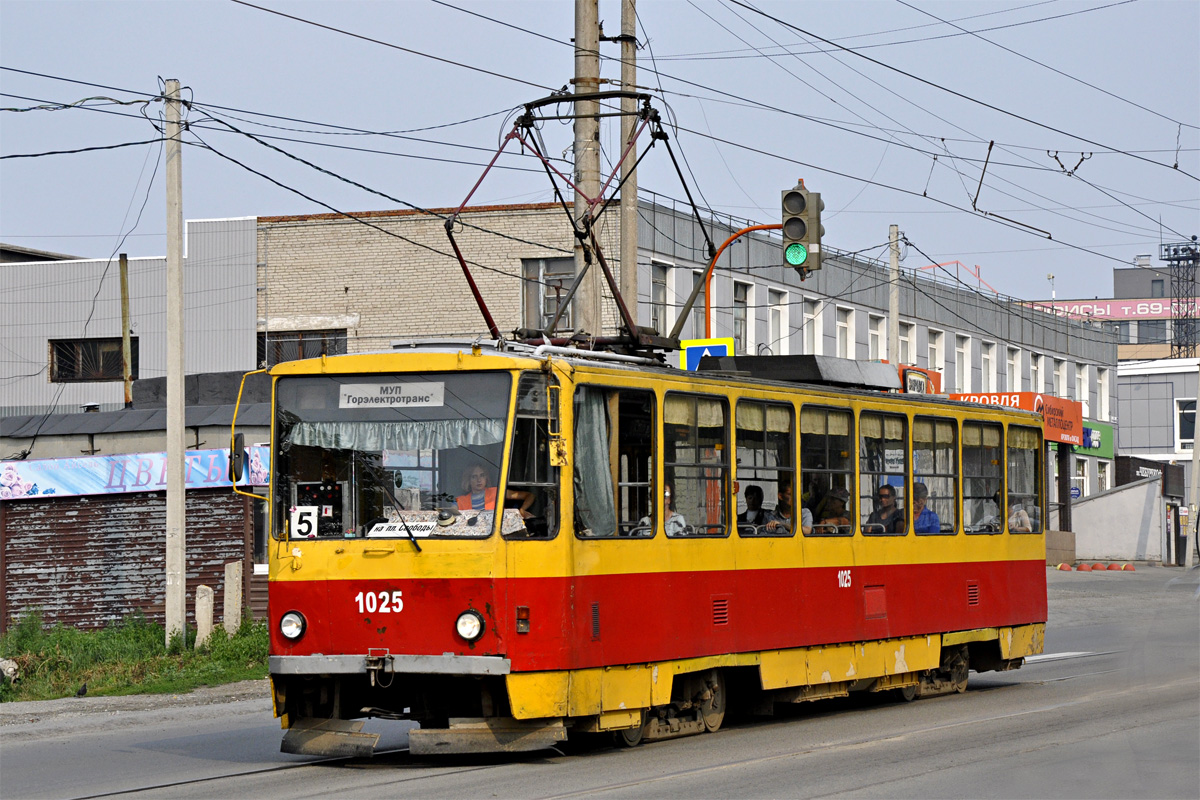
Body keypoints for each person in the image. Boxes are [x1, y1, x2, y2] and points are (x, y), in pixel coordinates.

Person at [456, 463, 533, 518]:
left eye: (482, 475)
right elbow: (449, 513)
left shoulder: (497, 492)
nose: (479, 480)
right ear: (468, 480)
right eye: (474, 477)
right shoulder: (460, 500)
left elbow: (530, 495)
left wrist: (522, 510)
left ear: (486, 478)